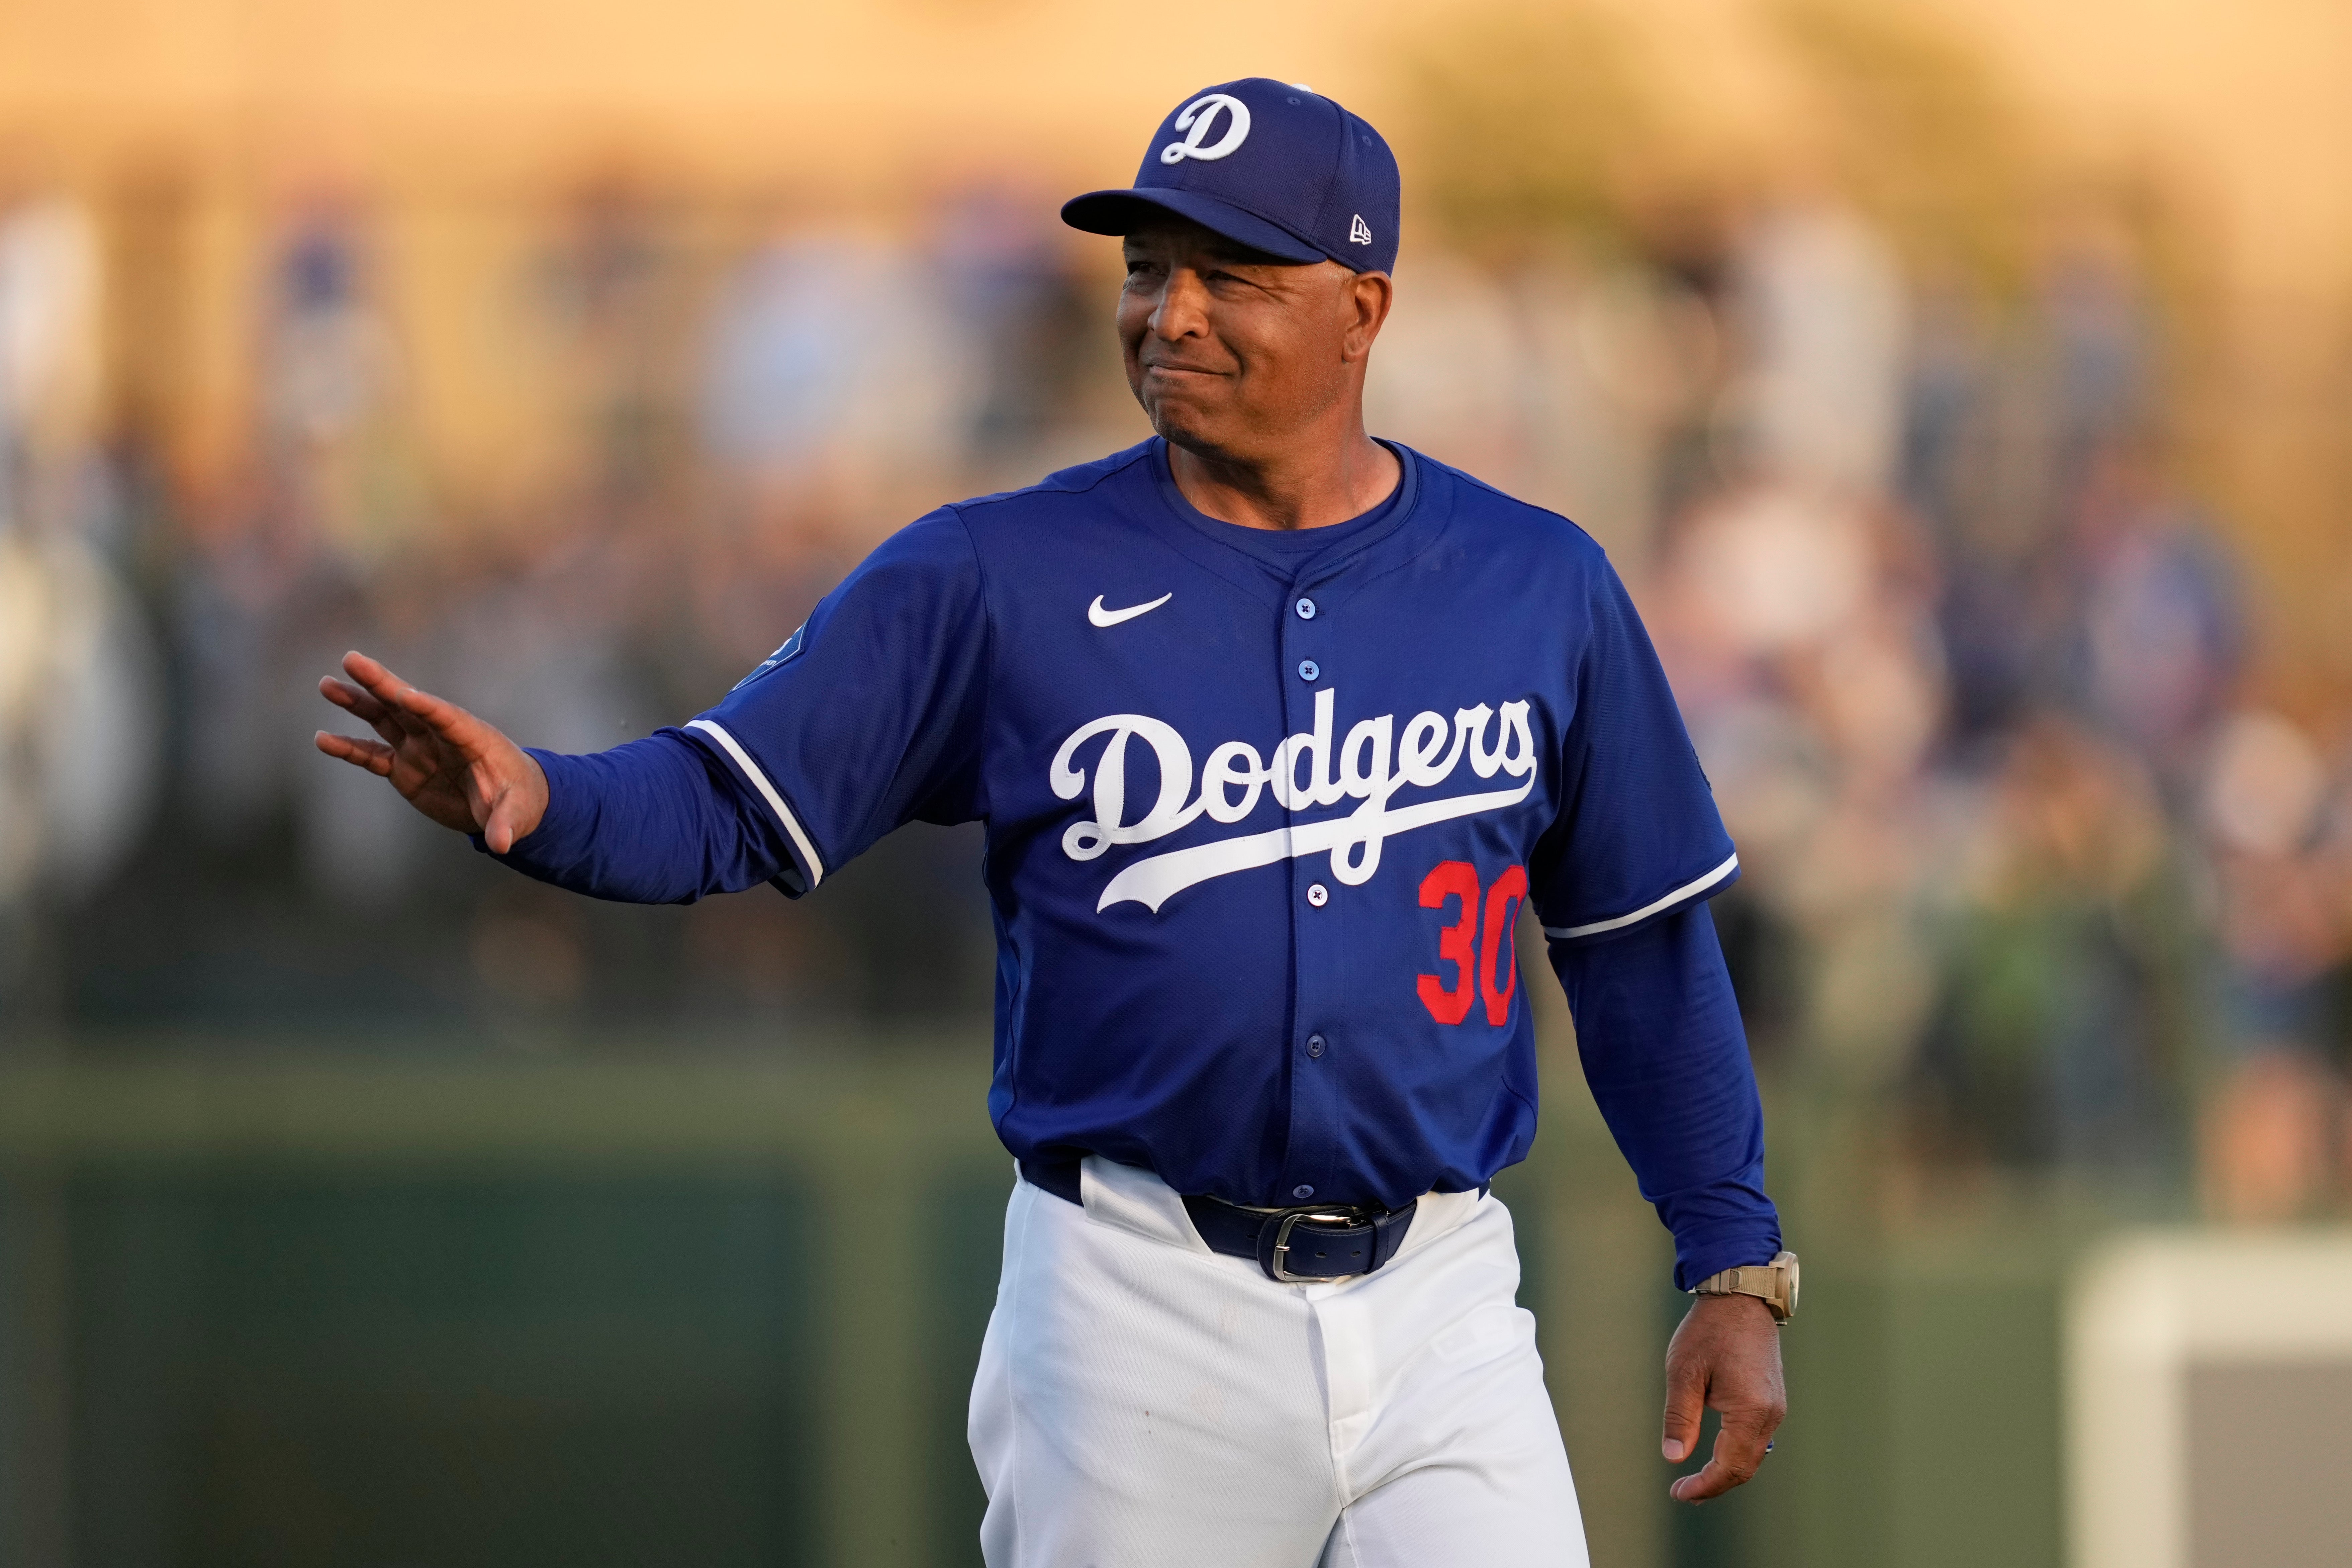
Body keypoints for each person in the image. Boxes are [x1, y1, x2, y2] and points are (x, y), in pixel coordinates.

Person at [316, 79, 1790, 1568]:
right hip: (1138, 1299)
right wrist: (542, 797)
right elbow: (727, 796)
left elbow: (1640, 946)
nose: (1173, 313)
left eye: (1232, 273)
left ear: (1363, 306)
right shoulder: (996, 575)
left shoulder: (1536, 583)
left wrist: (1733, 1255)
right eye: (1148, 268)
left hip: (1444, 1291)